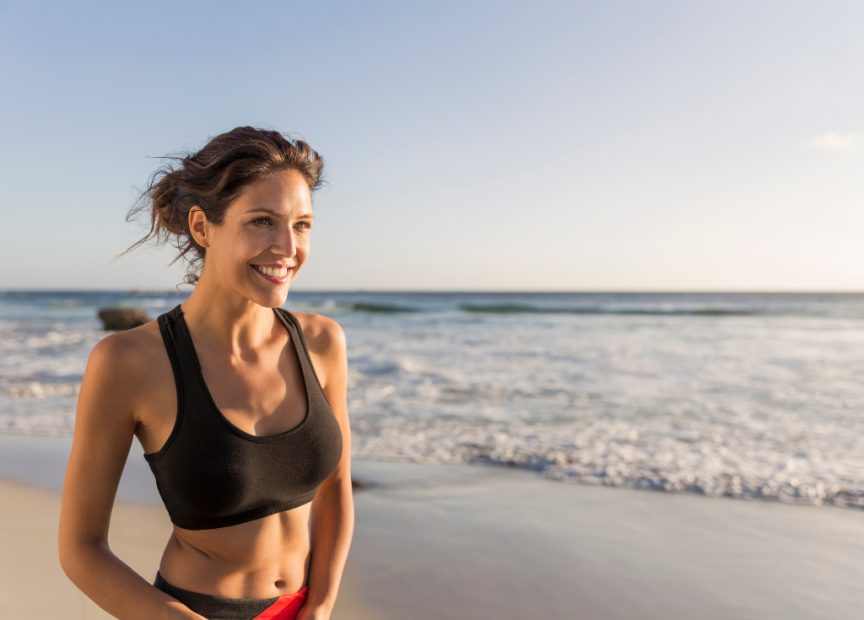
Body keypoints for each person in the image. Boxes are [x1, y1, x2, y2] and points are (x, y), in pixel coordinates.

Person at [58, 127, 353, 620]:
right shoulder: (128, 362)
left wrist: (321, 604)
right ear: (202, 227)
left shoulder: (322, 341)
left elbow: (335, 490)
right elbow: (81, 549)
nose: (287, 247)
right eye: (262, 221)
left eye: (302, 225)